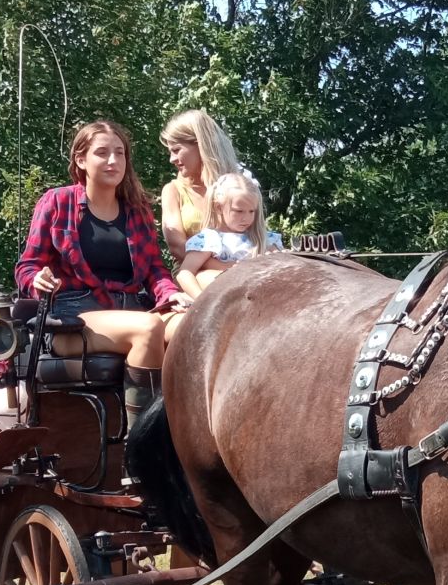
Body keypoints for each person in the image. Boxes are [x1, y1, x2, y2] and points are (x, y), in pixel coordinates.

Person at [16, 119, 182, 422]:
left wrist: (172, 296)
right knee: (148, 329)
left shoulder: (138, 209)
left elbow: (155, 269)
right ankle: (140, 454)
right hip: (72, 318)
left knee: (192, 326)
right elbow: (28, 266)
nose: (113, 161)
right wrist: (36, 279)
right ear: (81, 159)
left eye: (120, 153)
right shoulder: (57, 201)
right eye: (102, 153)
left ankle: (189, 436)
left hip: (131, 307)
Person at [157, 109, 245, 263]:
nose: (172, 159)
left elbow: (257, 234)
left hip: (241, 269)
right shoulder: (173, 191)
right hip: (194, 272)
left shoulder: (239, 187)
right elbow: (177, 247)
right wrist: (227, 270)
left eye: (176, 150)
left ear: (201, 145)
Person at [177, 171, 282, 296]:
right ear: (219, 207)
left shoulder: (265, 239)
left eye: (251, 211)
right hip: (226, 302)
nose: (246, 218)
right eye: (239, 211)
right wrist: (200, 299)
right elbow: (185, 273)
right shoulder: (209, 239)